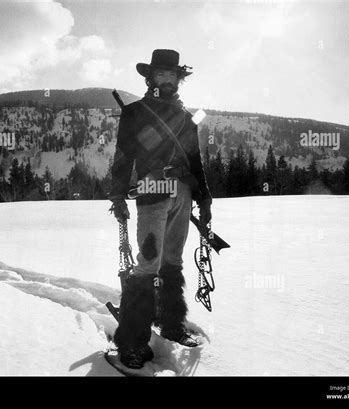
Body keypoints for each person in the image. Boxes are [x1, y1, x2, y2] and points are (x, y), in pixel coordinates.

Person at [109, 49, 212, 369]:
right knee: (148, 265)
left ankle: (171, 324)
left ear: (178, 79)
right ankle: (132, 342)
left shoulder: (186, 116)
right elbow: (123, 157)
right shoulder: (136, 113)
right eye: (160, 75)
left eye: (172, 76)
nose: (166, 81)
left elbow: (195, 161)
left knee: (172, 262)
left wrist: (205, 198)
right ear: (150, 78)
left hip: (182, 191)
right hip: (152, 191)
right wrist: (117, 196)